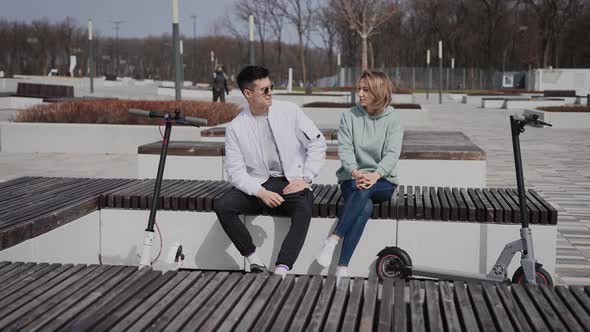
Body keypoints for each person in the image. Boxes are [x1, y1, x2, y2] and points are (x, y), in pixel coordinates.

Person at [214, 65, 327, 277]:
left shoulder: (289, 111)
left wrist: (306, 178)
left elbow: (317, 144)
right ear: (248, 94)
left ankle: (282, 267)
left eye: (271, 87)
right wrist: (260, 192)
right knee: (223, 206)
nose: (270, 93)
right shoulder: (236, 127)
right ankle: (254, 260)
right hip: (259, 183)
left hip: (292, 180)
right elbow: (235, 172)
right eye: (264, 90)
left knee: (304, 208)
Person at [316, 71, 403, 280]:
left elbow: (392, 154)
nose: (360, 93)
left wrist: (375, 175)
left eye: (366, 89)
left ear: (378, 92)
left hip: (383, 182)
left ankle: (334, 238)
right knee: (364, 206)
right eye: (359, 88)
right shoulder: (349, 116)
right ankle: (342, 268)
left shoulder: (393, 118)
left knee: (367, 188)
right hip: (352, 180)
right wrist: (355, 172)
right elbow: (345, 150)